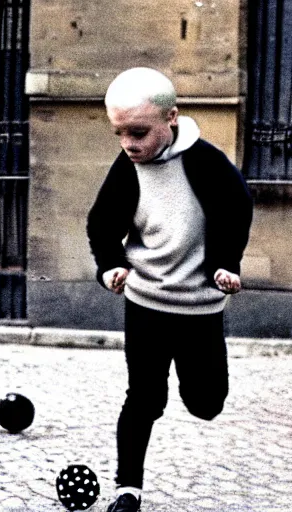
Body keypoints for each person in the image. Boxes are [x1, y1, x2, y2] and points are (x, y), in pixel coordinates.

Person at [86, 67, 253, 512]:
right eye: (119, 133)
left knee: (206, 404)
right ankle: (127, 489)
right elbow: (100, 225)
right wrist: (111, 267)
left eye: (138, 132)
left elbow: (237, 210)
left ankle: (194, 384)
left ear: (172, 118)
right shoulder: (128, 168)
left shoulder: (207, 163)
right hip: (146, 304)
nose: (128, 144)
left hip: (200, 309)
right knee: (143, 397)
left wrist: (226, 265)